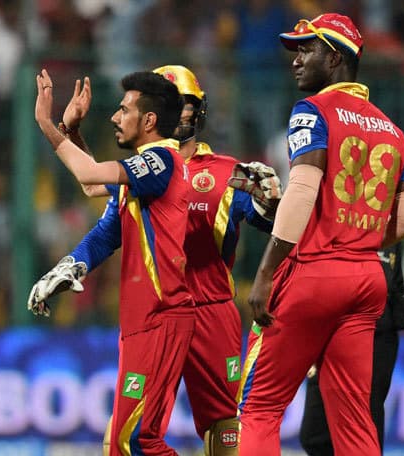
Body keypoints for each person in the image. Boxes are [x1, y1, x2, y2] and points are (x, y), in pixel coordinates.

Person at [237, 13, 404, 456]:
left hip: (314, 275)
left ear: (335, 58)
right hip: (367, 280)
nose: (296, 59)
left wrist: (266, 271)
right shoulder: (393, 131)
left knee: (260, 409)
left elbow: (302, 191)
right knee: (354, 421)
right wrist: (357, 241)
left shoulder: (312, 111)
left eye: (307, 49)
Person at [32, 68, 194, 455]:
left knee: (135, 440)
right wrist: (72, 131)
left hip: (161, 318)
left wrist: (46, 124)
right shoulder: (141, 175)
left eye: (124, 110)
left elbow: (88, 171)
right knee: (123, 441)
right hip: (141, 322)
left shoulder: (160, 161)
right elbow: (93, 190)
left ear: (149, 120)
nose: (114, 117)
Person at [152, 65, 282, 455]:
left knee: (224, 426)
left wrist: (272, 202)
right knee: (131, 427)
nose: (178, 112)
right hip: (155, 312)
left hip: (211, 312)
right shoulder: (135, 172)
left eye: (184, 104)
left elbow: (269, 222)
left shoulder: (227, 173)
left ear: (199, 110)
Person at [300, 243, 404, 455]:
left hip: (378, 337)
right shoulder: (334, 230)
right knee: (314, 434)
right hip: (330, 329)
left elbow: (396, 283)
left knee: (367, 417)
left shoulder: (390, 237)